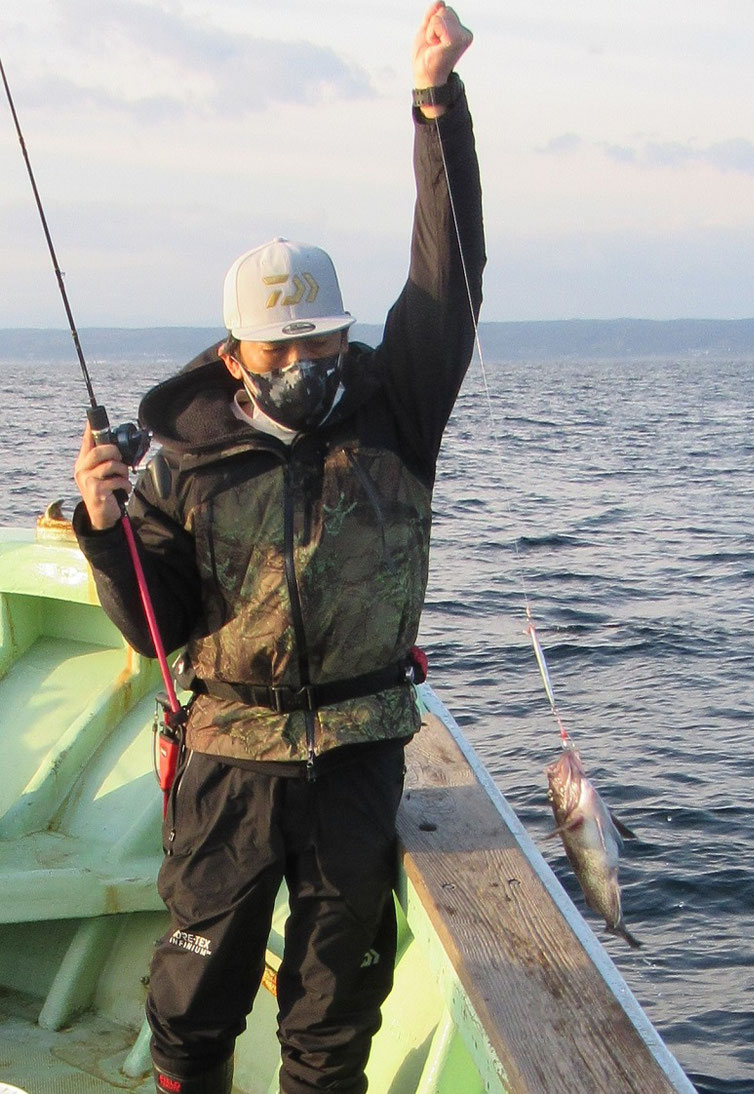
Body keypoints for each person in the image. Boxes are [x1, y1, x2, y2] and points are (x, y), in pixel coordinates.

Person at [73, 4, 484, 1092]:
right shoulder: (183, 459)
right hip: (226, 757)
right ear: (234, 351)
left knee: (334, 1003)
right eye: (284, 342)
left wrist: (434, 104)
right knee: (193, 995)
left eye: (324, 337)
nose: (309, 358)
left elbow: (452, 275)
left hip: (357, 750)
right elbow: (151, 617)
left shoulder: (397, 407)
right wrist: (105, 529)